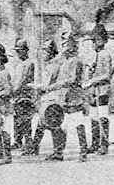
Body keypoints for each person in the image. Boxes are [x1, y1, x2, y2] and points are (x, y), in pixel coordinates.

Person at [34, 32, 88, 162]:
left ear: (71, 46)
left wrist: (53, 86)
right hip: (64, 96)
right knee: (61, 125)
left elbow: (72, 79)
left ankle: (83, 151)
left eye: (65, 44)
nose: (63, 48)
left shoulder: (75, 60)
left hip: (73, 96)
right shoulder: (65, 61)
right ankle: (58, 152)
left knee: (78, 123)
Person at [83, 10, 113, 155]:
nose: (94, 43)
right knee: (93, 117)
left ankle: (104, 144)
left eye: (96, 40)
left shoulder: (105, 54)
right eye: (93, 40)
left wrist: (91, 81)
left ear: (102, 40)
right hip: (93, 91)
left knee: (102, 117)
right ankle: (94, 143)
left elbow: (107, 74)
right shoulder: (93, 54)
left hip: (102, 90)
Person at [31, 40, 64, 159]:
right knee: (42, 124)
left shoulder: (52, 66)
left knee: (53, 125)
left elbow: (46, 86)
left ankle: (58, 152)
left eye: (45, 52)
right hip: (49, 99)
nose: (42, 55)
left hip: (52, 99)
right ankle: (34, 148)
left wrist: (34, 86)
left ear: (50, 53)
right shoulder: (51, 65)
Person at [10, 39, 35, 153]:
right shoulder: (19, 64)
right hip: (17, 96)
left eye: (20, 51)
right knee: (17, 120)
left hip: (25, 96)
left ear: (26, 51)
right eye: (17, 51)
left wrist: (13, 91)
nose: (18, 53)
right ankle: (17, 141)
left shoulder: (29, 63)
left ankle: (29, 145)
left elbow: (23, 81)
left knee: (25, 121)